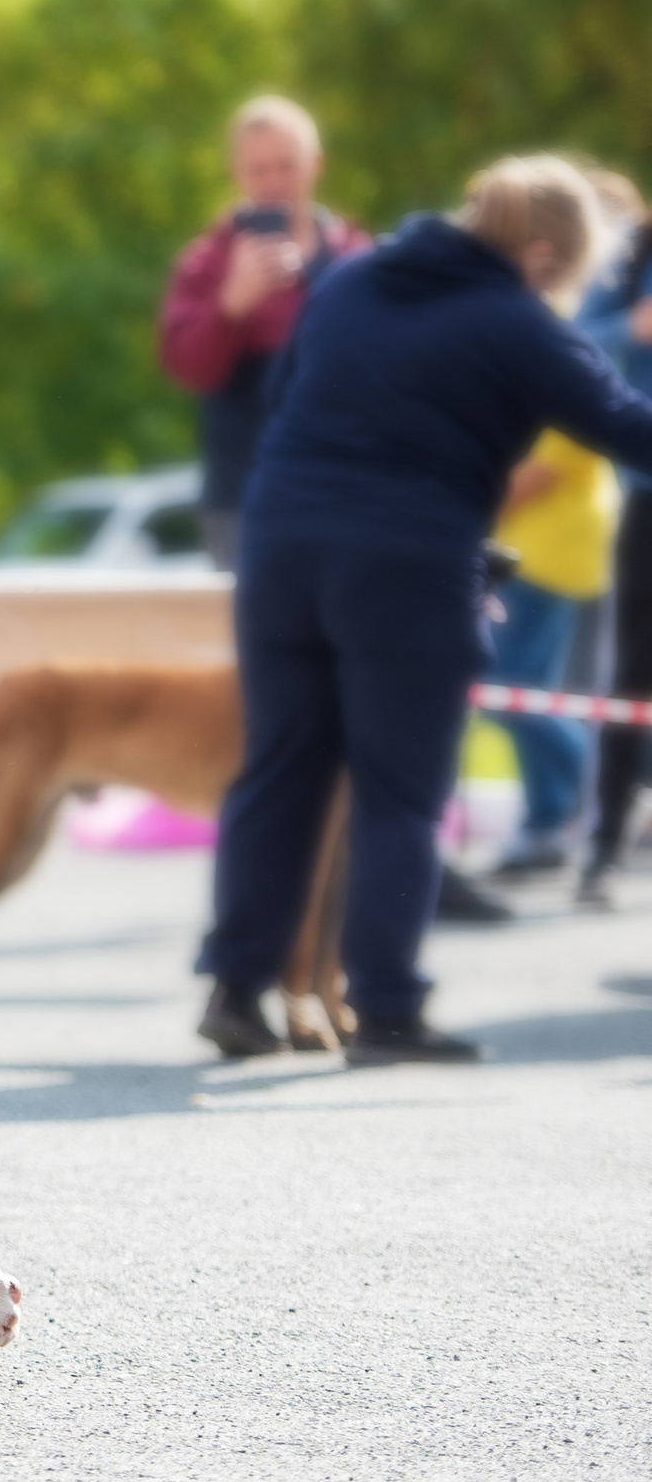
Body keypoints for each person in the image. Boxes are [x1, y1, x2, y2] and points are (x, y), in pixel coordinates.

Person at [196, 156, 652, 1065]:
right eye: (566, 272)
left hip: (281, 549)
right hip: (406, 563)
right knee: (401, 790)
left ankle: (237, 989)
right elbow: (626, 427)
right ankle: (388, 1008)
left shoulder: (352, 278)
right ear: (537, 251)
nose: (564, 290)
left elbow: (287, 400)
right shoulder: (518, 321)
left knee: (278, 770)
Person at [158, 96, 371, 571]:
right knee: (250, 642)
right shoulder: (207, 262)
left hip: (345, 490)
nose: (274, 183)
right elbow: (187, 368)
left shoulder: (355, 256)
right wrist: (230, 308)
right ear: (237, 172)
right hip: (243, 497)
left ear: (315, 165)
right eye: (258, 170)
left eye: (286, 166)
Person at [483, 429, 617, 878]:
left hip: (539, 560)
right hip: (544, 555)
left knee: (504, 691)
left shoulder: (560, 392)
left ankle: (608, 774)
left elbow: (531, 479)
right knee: (528, 693)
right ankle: (546, 825)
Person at [573, 203, 652, 906]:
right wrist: (632, 327)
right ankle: (603, 845)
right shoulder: (631, 254)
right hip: (646, 490)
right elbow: (568, 339)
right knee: (630, 672)